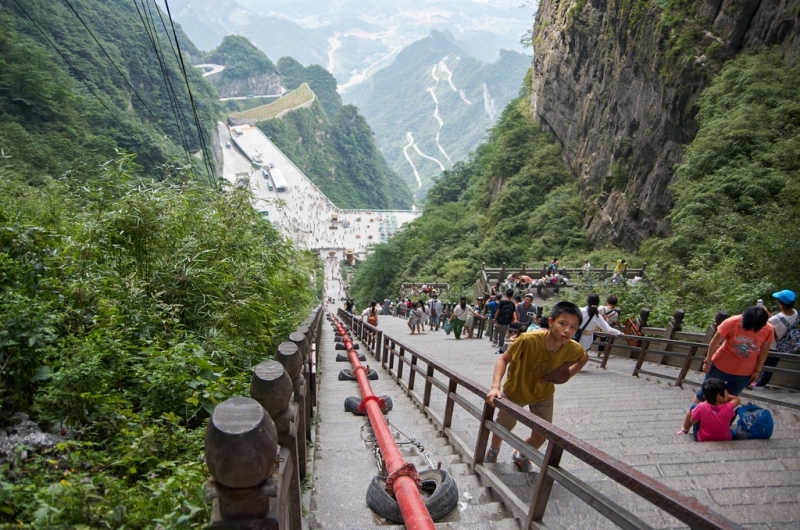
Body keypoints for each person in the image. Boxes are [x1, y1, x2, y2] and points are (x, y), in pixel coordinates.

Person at [484, 302, 589, 471]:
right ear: (550, 322)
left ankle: (521, 454)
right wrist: (495, 387)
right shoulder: (528, 340)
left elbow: (584, 358)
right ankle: (493, 450)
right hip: (515, 392)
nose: (567, 331)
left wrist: (567, 375)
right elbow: (503, 359)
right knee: (503, 428)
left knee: (542, 435)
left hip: (543, 395)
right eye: (563, 324)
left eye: (573, 327)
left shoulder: (573, 348)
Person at [680, 306, 773, 430]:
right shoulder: (732, 322)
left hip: (744, 372)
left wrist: (758, 370)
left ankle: (716, 425)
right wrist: (707, 361)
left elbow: (765, 350)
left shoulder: (768, 329)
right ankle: (691, 423)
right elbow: (714, 341)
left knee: (728, 399)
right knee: (705, 393)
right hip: (720, 366)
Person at [753, 290, 798, 388]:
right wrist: (768, 313)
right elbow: (782, 320)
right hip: (783, 345)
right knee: (770, 368)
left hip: (771, 346)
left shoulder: (775, 319)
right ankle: (761, 384)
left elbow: (763, 326)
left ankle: (752, 384)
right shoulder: (795, 313)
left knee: (757, 365)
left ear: (781, 304)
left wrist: (761, 312)